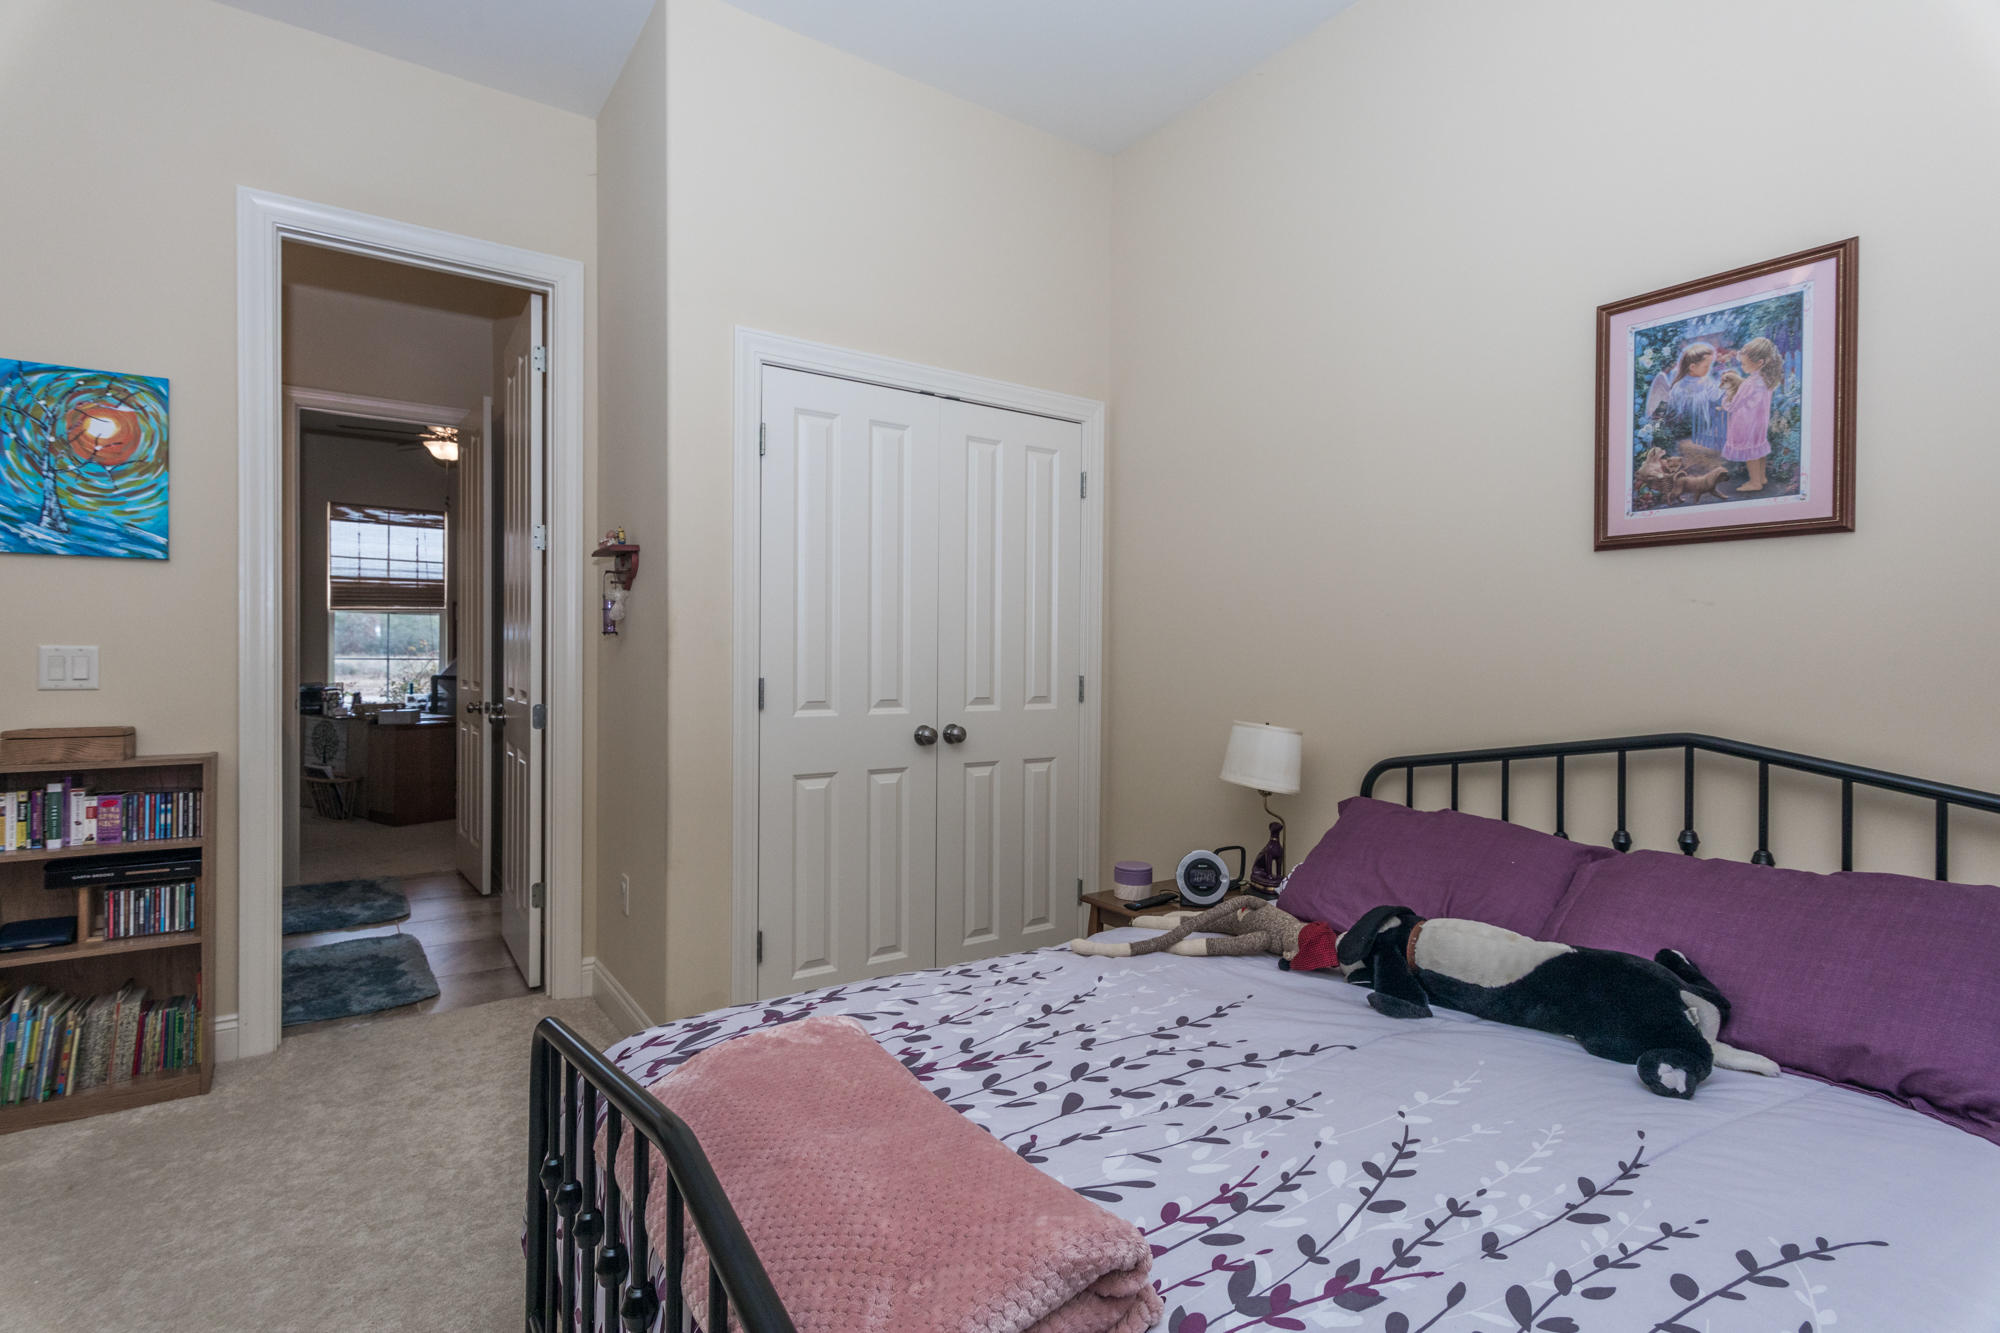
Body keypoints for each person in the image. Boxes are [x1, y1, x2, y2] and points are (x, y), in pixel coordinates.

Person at [1722, 337, 1783, 492]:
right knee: (1758, 448)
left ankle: (1754, 482)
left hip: (1746, 422)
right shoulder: (1766, 380)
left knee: (1750, 452)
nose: (1742, 367)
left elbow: (1734, 404)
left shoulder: (1749, 383)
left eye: (1743, 363)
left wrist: (1725, 401)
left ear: (1760, 362)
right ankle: (1761, 477)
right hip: (1760, 422)